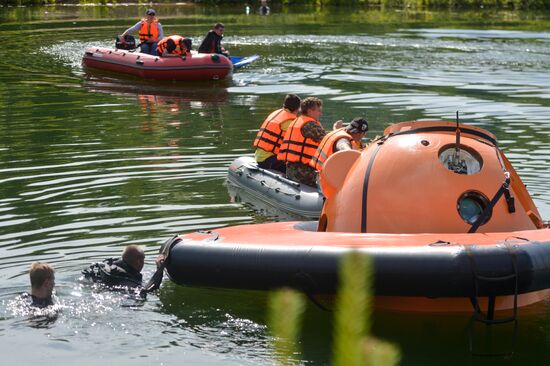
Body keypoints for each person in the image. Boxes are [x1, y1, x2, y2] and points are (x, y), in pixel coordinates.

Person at [277, 97, 341, 187]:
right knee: (338, 177)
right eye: (318, 111)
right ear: (310, 111)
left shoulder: (297, 121)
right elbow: (329, 141)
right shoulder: (310, 125)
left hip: (291, 169)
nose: (321, 114)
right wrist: (337, 130)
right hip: (304, 173)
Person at [82, 244, 164, 291]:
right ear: (139, 262)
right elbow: (149, 289)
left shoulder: (111, 268)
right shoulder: (128, 279)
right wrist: (159, 269)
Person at [253, 94, 301, 173]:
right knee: (299, 168)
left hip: (260, 157)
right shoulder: (290, 123)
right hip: (269, 160)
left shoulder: (276, 114)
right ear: (298, 108)